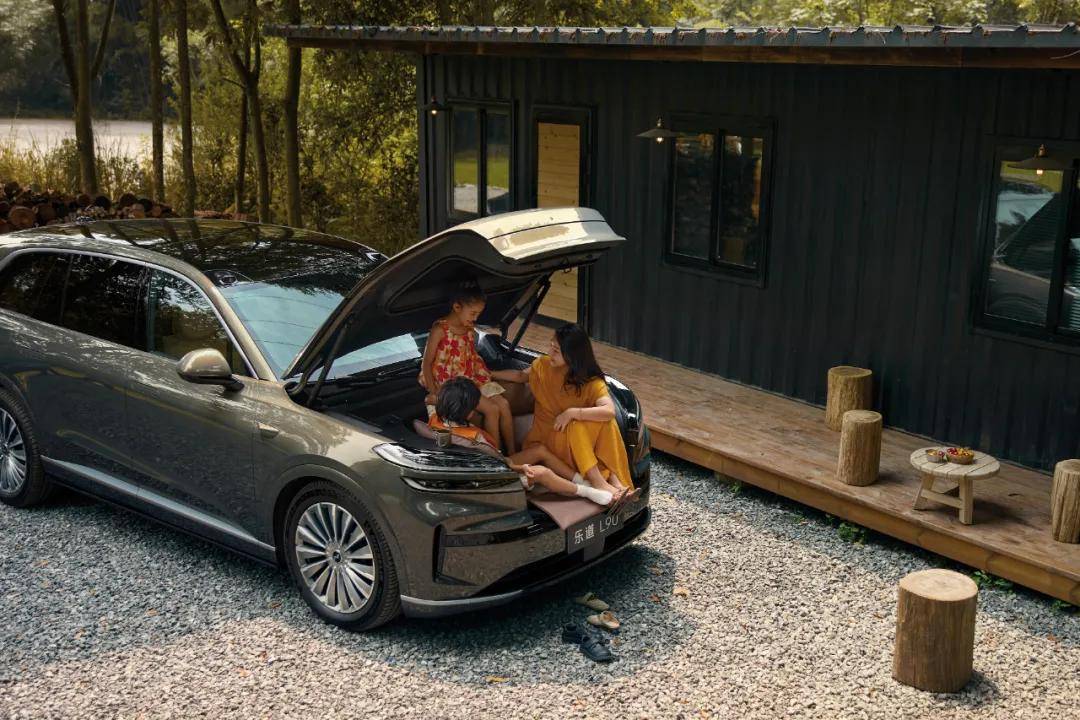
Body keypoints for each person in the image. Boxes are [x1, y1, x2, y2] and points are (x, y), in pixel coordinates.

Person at [498, 323, 636, 508]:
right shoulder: (543, 365)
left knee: (605, 422)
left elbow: (609, 410)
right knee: (578, 425)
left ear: (573, 355)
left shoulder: (591, 381)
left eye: (556, 350)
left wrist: (572, 412)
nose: (550, 353)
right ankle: (602, 482)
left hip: (576, 443)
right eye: (551, 346)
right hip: (547, 438)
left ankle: (616, 482)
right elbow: (520, 376)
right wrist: (488, 373)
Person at [430, 377, 613, 506]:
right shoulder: (475, 440)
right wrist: (521, 468)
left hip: (486, 467)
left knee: (539, 450)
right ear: (469, 413)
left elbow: (429, 400)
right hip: (494, 479)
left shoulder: (435, 419)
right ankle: (587, 491)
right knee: (542, 472)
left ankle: (584, 481)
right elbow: (501, 464)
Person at [420, 282, 518, 453]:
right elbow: (426, 363)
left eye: (478, 314)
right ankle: (496, 454)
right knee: (493, 409)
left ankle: (512, 451)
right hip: (452, 386)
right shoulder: (440, 329)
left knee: (503, 404)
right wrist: (434, 392)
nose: (475, 318)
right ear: (457, 307)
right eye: (473, 313)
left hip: (470, 378)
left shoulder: (469, 328)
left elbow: (469, 357)